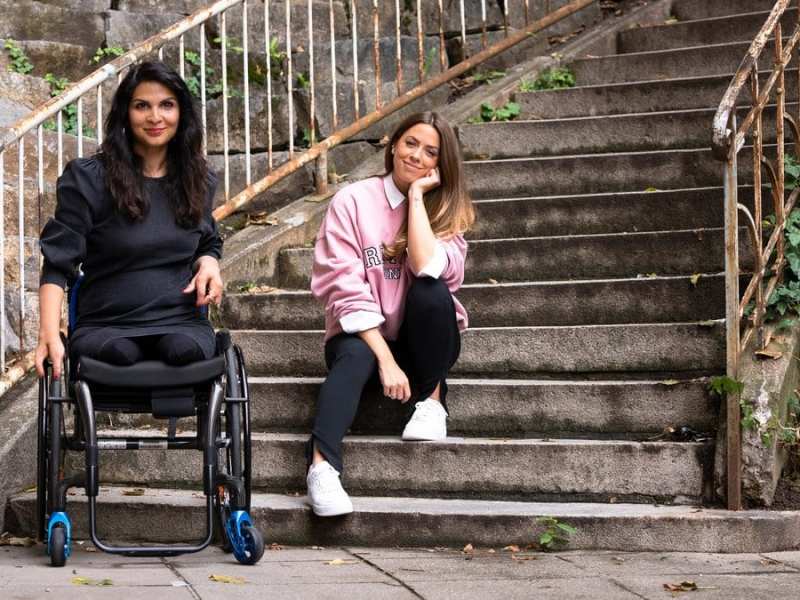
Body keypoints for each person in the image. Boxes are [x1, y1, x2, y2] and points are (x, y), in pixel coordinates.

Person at [306, 111, 475, 516]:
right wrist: (385, 359)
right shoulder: (353, 201)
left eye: (430, 152)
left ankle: (432, 401)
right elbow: (343, 286)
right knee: (353, 358)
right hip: (362, 337)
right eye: (411, 143)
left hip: (422, 345)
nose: (417, 156)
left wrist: (417, 200)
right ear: (393, 144)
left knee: (432, 292)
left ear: (441, 164)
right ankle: (322, 470)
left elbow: (432, 269)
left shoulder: (446, 211)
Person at [34, 61, 223, 380]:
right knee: (120, 353)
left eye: (167, 105)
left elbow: (207, 240)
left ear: (182, 114)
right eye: (141, 106)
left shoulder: (198, 180)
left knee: (183, 351)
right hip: (107, 324)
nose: (155, 117)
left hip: (181, 321)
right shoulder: (89, 179)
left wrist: (209, 262)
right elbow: (58, 261)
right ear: (125, 113)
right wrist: (49, 334)